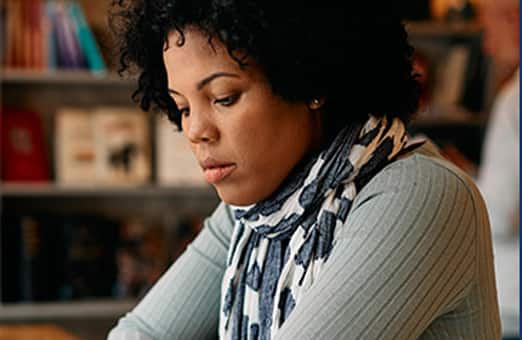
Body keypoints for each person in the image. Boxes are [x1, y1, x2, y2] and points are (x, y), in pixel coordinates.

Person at [107, 0, 501, 339]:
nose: (195, 131)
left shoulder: (421, 197)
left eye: (224, 98)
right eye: (183, 107)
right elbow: (138, 334)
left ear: (309, 79)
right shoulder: (255, 214)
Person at [477, 0, 520, 337]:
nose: (488, 46)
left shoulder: (514, 100)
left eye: (489, 30)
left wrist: (459, 186)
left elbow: (501, 217)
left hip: (511, 301)